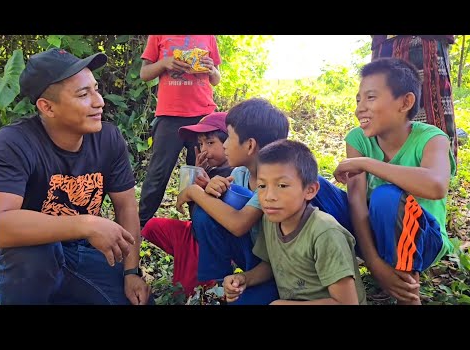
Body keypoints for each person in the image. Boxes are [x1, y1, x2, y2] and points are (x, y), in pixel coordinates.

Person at [0, 48, 152, 305]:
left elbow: (126, 206)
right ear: (47, 107)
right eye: (83, 94)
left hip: (86, 251)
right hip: (31, 257)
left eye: (96, 89)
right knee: (31, 259)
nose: (99, 101)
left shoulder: (108, 139)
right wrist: (85, 223)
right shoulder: (14, 142)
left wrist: (131, 272)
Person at [329, 57, 456, 304]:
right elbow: (356, 203)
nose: (360, 108)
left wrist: (366, 163)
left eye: (371, 98)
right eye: (358, 99)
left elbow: (436, 185)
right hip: (374, 238)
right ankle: (323, 284)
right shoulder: (358, 139)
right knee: (314, 189)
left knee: (386, 196)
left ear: (406, 102)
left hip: (423, 240)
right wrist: (374, 263)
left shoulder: (431, 138)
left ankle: (407, 294)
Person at [223, 140, 367, 305]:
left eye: (282, 185)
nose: (269, 196)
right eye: (262, 186)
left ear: (310, 190)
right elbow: (272, 264)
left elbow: (347, 303)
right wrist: (244, 278)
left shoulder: (325, 233)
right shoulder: (270, 219)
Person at [176, 98, 289, 305]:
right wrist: (211, 189)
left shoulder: (277, 181)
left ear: (250, 145)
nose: (225, 144)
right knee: (209, 207)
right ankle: (216, 285)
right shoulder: (240, 173)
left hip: (285, 271)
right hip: (259, 257)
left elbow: (238, 224)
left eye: (228, 137)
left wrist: (193, 192)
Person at [141, 112, 233, 296]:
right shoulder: (210, 170)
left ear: (230, 143)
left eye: (210, 143)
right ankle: (185, 259)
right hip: (192, 231)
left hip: (209, 243)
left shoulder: (234, 174)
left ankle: (198, 270)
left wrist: (205, 188)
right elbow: (183, 201)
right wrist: (197, 172)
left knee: (187, 293)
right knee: (150, 227)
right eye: (200, 144)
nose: (204, 150)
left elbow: (226, 217)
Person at [138, 35, 222, 228]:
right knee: (158, 173)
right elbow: (144, 73)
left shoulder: (208, 36)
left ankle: (198, 224)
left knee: (201, 172)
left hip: (203, 115)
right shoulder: (158, 36)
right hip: (170, 115)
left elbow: (216, 79)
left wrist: (211, 69)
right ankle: (139, 225)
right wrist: (165, 63)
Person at [371, 35, 458, 163]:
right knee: (383, 106)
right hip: (386, 45)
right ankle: (383, 173)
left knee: (432, 112)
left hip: (426, 44)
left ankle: (433, 168)